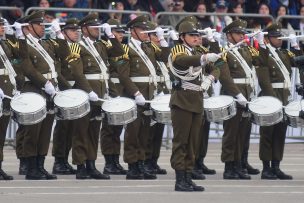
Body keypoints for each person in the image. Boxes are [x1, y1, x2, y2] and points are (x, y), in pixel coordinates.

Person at [168, 20, 221, 191]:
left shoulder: (199, 52)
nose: (196, 38)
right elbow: (181, 61)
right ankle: (179, 179)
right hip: (182, 100)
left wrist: (209, 78)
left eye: (198, 35)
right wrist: (204, 58)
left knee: (193, 142)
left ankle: (188, 177)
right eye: (192, 35)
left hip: (197, 100)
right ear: (182, 37)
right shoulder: (179, 49)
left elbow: (218, 66)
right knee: (181, 141)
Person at [212, 19, 267, 180]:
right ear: (229, 36)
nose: (243, 35)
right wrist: (237, 95)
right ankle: (229, 167)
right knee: (232, 133)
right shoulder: (224, 51)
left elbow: (262, 62)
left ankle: (239, 164)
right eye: (238, 33)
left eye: (243, 33)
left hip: (247, 96)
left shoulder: (246, 51)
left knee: (243, 133)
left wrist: (262, 44)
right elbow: (225, 77)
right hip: (233, 97)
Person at [117, 15, 170, 180]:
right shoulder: (125, 49)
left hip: (149, 97)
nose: (146, 33)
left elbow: (165, 57)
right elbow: (123, 76)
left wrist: (162, 39)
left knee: (144, 133)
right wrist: (136, 93)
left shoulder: (149, 48)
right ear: (132, 31)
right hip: (135, 97)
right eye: (142, 29)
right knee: (133, 132)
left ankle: (141, 163)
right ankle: (132, 166)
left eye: (148, 30)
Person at [15, 10, 65, 180]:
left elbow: (64, 56)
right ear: (29, 27)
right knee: (32, 131)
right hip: (35, 90)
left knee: (45, 130)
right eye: (39, 25)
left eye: (43, 24)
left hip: (50, 91)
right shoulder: (23, 44)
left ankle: (40, 165)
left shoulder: (45, 44)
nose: (42, 28)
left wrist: (59, 34)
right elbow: (27, 68)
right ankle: (30, 168)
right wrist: (45, 84)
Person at [75, 12, 124, 179]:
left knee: (94, 132)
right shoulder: (77, 46)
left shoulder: (101, 45)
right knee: (82, 132)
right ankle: (80, 166)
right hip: (85, 94)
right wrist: (88, 91)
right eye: (93, 27)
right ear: (84, 29)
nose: (97, 29)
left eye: (98, 27)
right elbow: (78, 73)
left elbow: (118, 53)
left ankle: (91, 164)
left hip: (101, 95)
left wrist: (110, 35)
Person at [257, 23, 302, 180]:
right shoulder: (264, 54)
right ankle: (266, 168)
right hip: (271, 96)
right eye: (276, 37)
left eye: (281, 36)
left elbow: (299, 62)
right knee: (268, 133)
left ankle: (276, 166)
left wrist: (296, 45)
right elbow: (263, 78)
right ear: (268, 39)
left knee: (280, 133)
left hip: (284, 96)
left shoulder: (284, 53)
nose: (280, 39)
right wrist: (272, 100)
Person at [51, 18, 83, 176]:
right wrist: (68, 88)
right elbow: (57, 71)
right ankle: (58, 161)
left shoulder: (78, 47)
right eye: (72, 31)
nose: (76, 33)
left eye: (77, 30)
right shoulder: (57, 46)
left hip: (75, 90)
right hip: (64, 90)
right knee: (62, 127)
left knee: (71, 128)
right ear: (64, 33)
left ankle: (65, 159)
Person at [99, 18, 127, 175]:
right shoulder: (104, 46)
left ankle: (115, 161)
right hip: (110, 91)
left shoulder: (119, 47)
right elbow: (117, 53)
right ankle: (109, 162)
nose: (121, 35)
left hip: (120, 91)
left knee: (117, 129)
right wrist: (110, 37)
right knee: (109, 129)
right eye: (118, 32)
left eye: (122, 32)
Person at [0, 17, 24, 180]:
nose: (2, 28)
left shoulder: (4, 43)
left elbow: (21, 56)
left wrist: (15, 36)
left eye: (3, 25)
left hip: (6, 94)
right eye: (0, 26)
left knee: (1, 134)